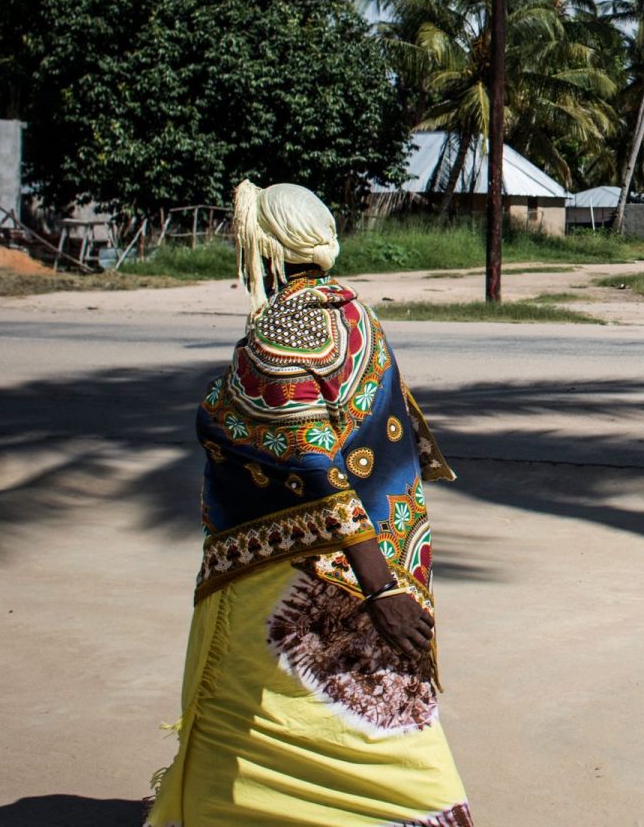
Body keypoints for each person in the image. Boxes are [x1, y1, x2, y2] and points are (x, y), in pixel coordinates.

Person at [147, 181, 472, 826]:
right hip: (376, 548)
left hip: (304, 563)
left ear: (265, 248)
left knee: (272, 705)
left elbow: (313, 463)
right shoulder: (352, 310)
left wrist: (379, 589)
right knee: (362, 710)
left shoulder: (282, 330)